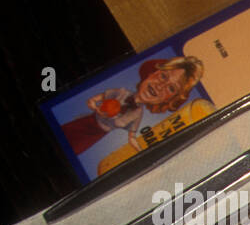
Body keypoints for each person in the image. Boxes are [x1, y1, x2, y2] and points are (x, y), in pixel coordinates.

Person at [60, 55, 204, 156]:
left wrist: (142, 151)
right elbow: (91, 101)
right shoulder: (120, 93)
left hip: (92, 138)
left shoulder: (136, 114)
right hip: (81, 124)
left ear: (169, 100)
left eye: (171, 88)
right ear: (151, 73)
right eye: (163, 76)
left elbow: (132, 138)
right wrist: (97, 108)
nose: (161, 86)